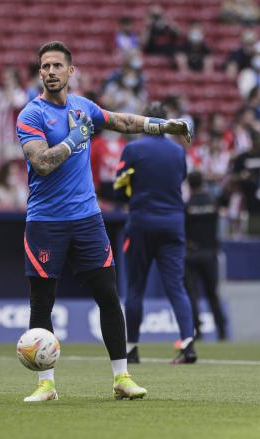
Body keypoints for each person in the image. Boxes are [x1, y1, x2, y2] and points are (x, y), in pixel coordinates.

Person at [16, 41, 193, 402]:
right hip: (46, 221)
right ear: (40, 73)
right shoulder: (30, 116)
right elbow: (42, 163)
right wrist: (74, 139)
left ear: (70, 71)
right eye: (44, 66)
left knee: (109, 298)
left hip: (87, 220)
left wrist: (164, 126)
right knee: (42, 302)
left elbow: (123, 121)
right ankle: (46, 385)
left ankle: (122, 378)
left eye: (56, 66)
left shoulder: (84, 107)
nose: (50, 71)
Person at [113, 101, 197, 365]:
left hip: (142, 222)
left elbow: (119, 187)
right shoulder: (177, 151)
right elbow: (180, 180)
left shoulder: (133, 149)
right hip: (173, 223)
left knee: (136, 288)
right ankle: (188, 344)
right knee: (176, 286)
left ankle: (131, 348)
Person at [184, 171, 228, 340]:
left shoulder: (188, 206)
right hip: (210, 253)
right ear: (202, 183)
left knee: (192, 295)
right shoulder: (212, 203)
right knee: (212, 294)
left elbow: (184, 230)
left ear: (189, 185)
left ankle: (197, 331)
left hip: (192, 254)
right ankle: (222, 330)